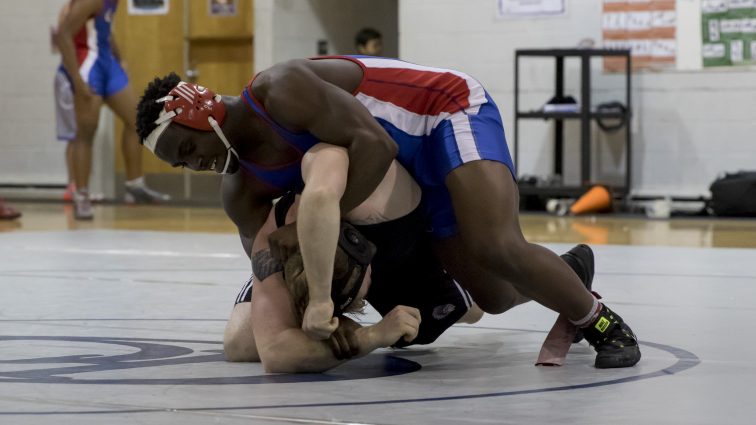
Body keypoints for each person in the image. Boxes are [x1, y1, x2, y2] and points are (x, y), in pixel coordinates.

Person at [137, 56, 640, 368]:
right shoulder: (240, 191)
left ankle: (601, 322)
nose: (193, 166)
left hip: (442, 112)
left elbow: (374, 145)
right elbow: (270, 267)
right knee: (496, 294)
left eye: (185, 150)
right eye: (181, 165)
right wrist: (318, 293)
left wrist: (322, 229)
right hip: (399, 177)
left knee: (495, 245)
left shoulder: (278, 89)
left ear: (197, 111)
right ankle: (568, 273)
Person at [222, 142, 593, 372]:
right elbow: (274, 354)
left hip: (401, 242)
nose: (360, 301)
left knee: (474, 307)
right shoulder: (272, 245)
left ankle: (564, 273)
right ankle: (323, 303)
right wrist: (370, 337)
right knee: (241, 343)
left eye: (353, 294)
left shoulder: (367, 191)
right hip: (318, 260)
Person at [54, 0, 169, 220]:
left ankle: (135, 186)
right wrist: (77, 79)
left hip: (107, 61)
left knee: (137, 119)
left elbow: (103, 28)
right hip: (87, 63)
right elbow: (63, 34)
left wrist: (120, 57)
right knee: (86, 131)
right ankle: (82, 195)